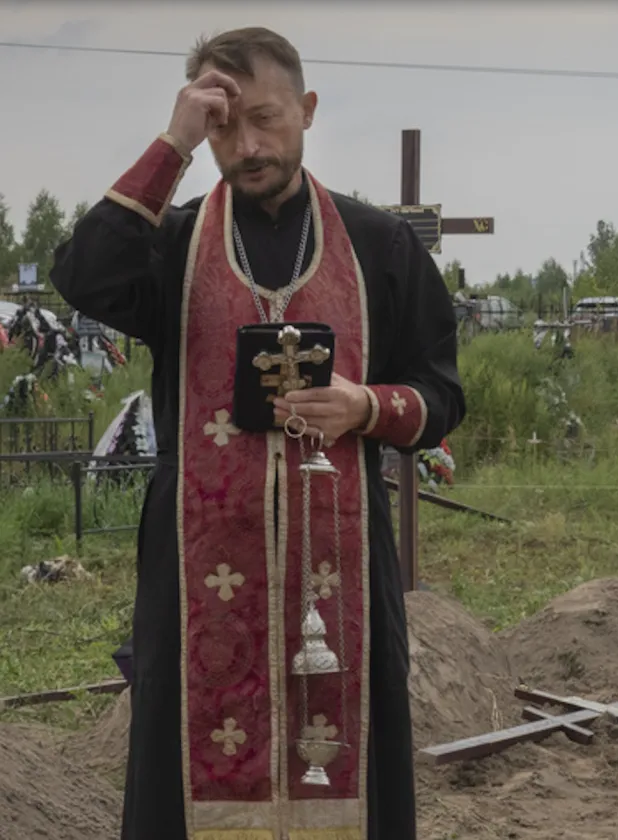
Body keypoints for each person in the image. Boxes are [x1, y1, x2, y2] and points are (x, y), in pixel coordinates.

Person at [49, 27, 464, 840]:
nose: (247, 145)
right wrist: (170, 144)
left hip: (340, 577)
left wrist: (367, 407)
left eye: (266, 119)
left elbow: (441, 392)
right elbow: (84, 276)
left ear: (307, 110)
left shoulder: (378, 245)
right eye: (223, 128)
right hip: (196, 573)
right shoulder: (170, 246)